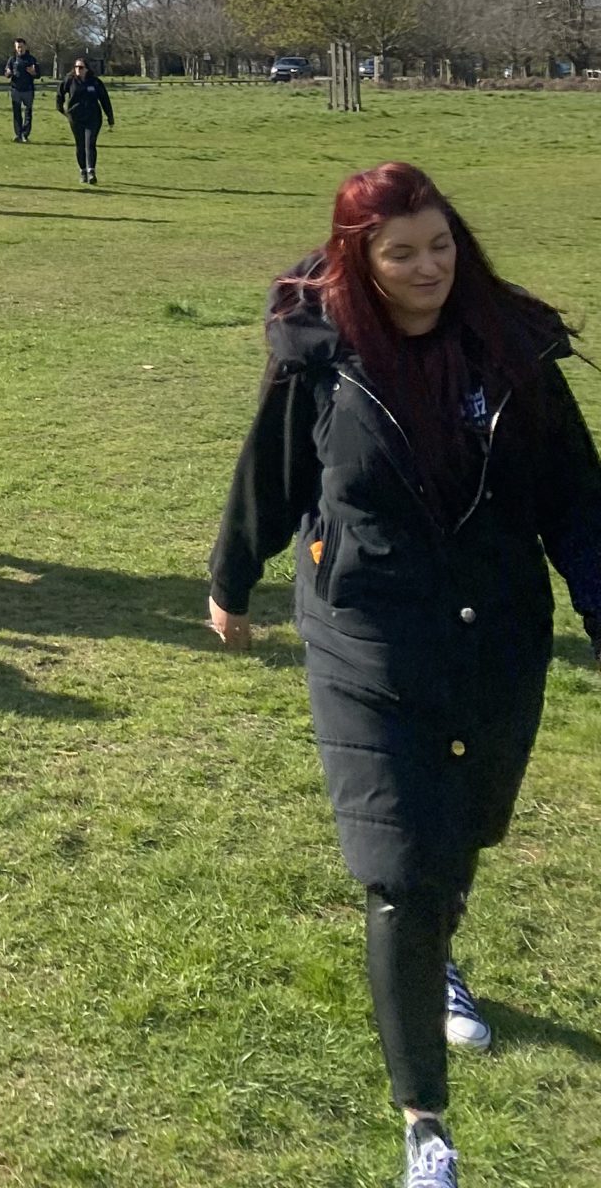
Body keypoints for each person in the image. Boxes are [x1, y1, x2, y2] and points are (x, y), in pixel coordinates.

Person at [208, 165, 601, 1188]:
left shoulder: (510, 351)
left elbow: (578, 501)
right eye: (402, 253)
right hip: (366, 631)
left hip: (496, 637)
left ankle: (436, 950)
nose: (429, 268)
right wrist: (231, 579)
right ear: (359, 260)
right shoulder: (324, 356)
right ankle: (426, 1127)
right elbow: (272, 472)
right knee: (398, 864)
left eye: (441, 246)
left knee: (456, 836)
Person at [56, 58, 114, 185]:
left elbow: (104, 99)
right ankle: (83, 171)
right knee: (80, 144)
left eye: (81, 67)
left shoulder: (95, 82)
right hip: (76, 118)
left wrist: (110, 117)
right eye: (76, 67)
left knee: (90, 144)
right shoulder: (70, 80)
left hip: (93, 118)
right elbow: (60, 93)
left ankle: (91, 171)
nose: (78, 69)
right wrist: (61, 108)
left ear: (87, 69)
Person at [6, 38, 40, 142]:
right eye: (18, 47)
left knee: (28, 113)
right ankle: (18, 134)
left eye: (21, 47)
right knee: (16, 113)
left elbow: (38, 74)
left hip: (28, 90)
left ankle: (25, 134)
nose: (20, 49)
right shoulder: (12, 59)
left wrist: (33, 72)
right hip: (15, 90)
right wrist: (8, 73)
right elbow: (7, 73)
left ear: (25, 46)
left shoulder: (31, 60)